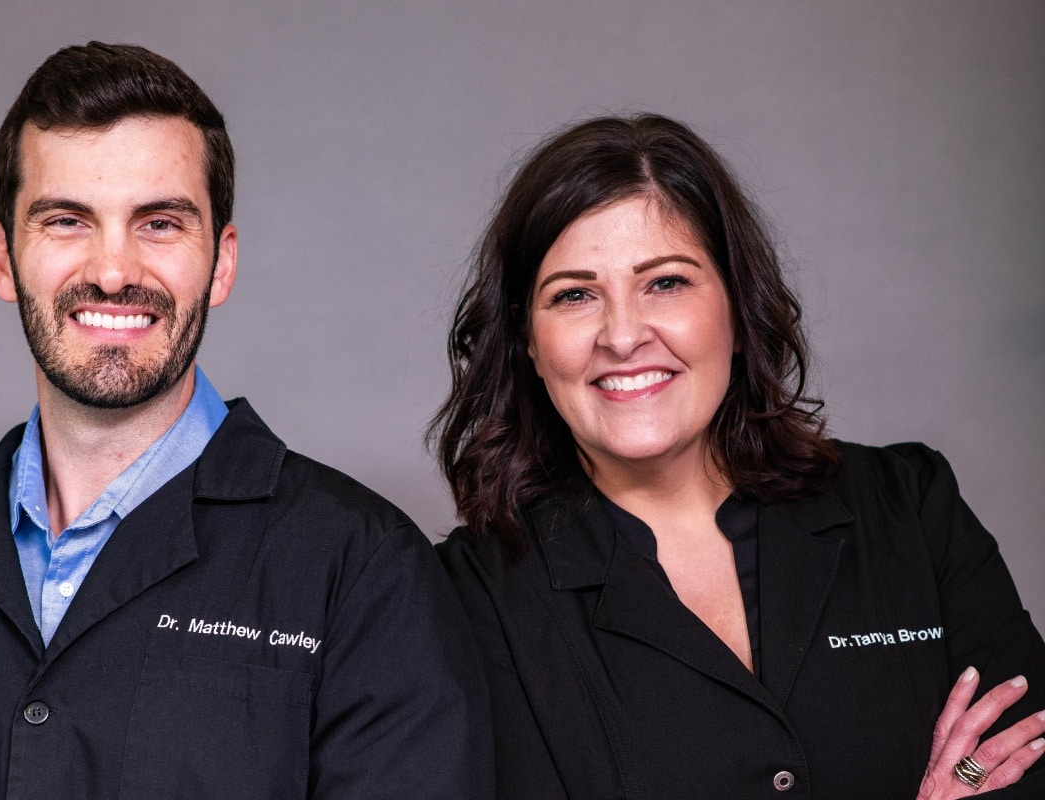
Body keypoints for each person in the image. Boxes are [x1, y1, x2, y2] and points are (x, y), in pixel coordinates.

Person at [0, 42, 492, 799]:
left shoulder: (365, 574)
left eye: (158, 223)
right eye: (67, 220)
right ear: (1, 258)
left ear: (221, 262)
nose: (113, 271)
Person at [432, 113, 1045, 798]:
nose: (623, 336)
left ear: (737, 308)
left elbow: (1030, 759)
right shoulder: (466, 600)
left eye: (665, 282)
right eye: (574, 295)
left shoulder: (909, 508)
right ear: (528, 340)